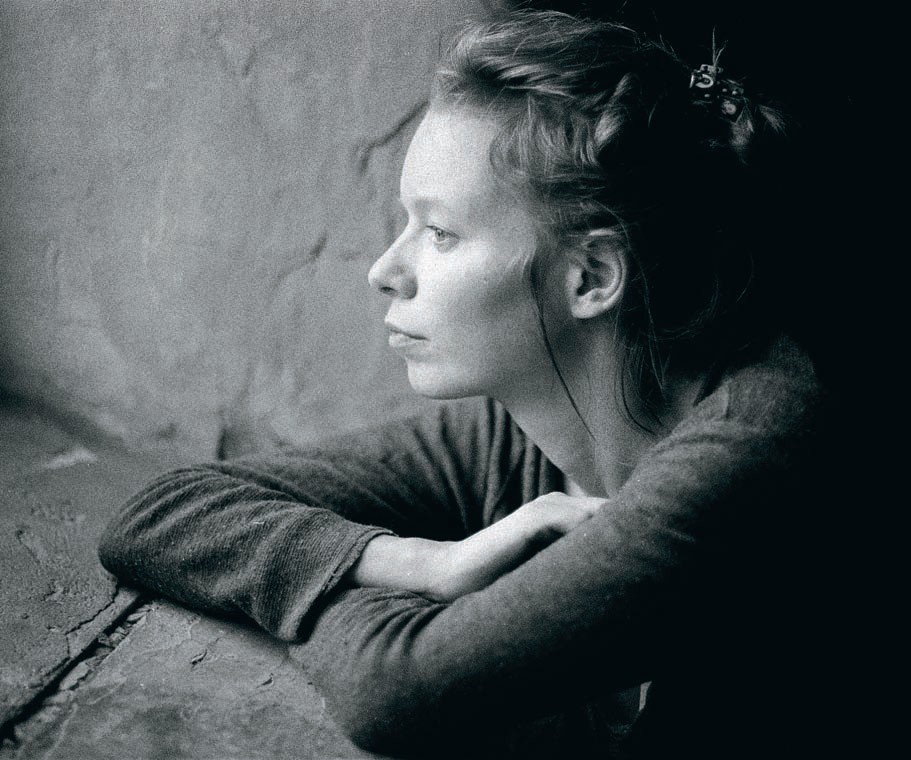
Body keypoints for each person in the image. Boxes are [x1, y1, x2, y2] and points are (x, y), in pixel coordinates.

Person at [99, 10, 832, 759]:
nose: (386, 271)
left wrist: (335, 591)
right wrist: (425, 564)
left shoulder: (754, 440)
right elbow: (160, 514)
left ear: (591, 276)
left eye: (440, 233)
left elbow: (396, 688)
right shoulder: (518, 433)